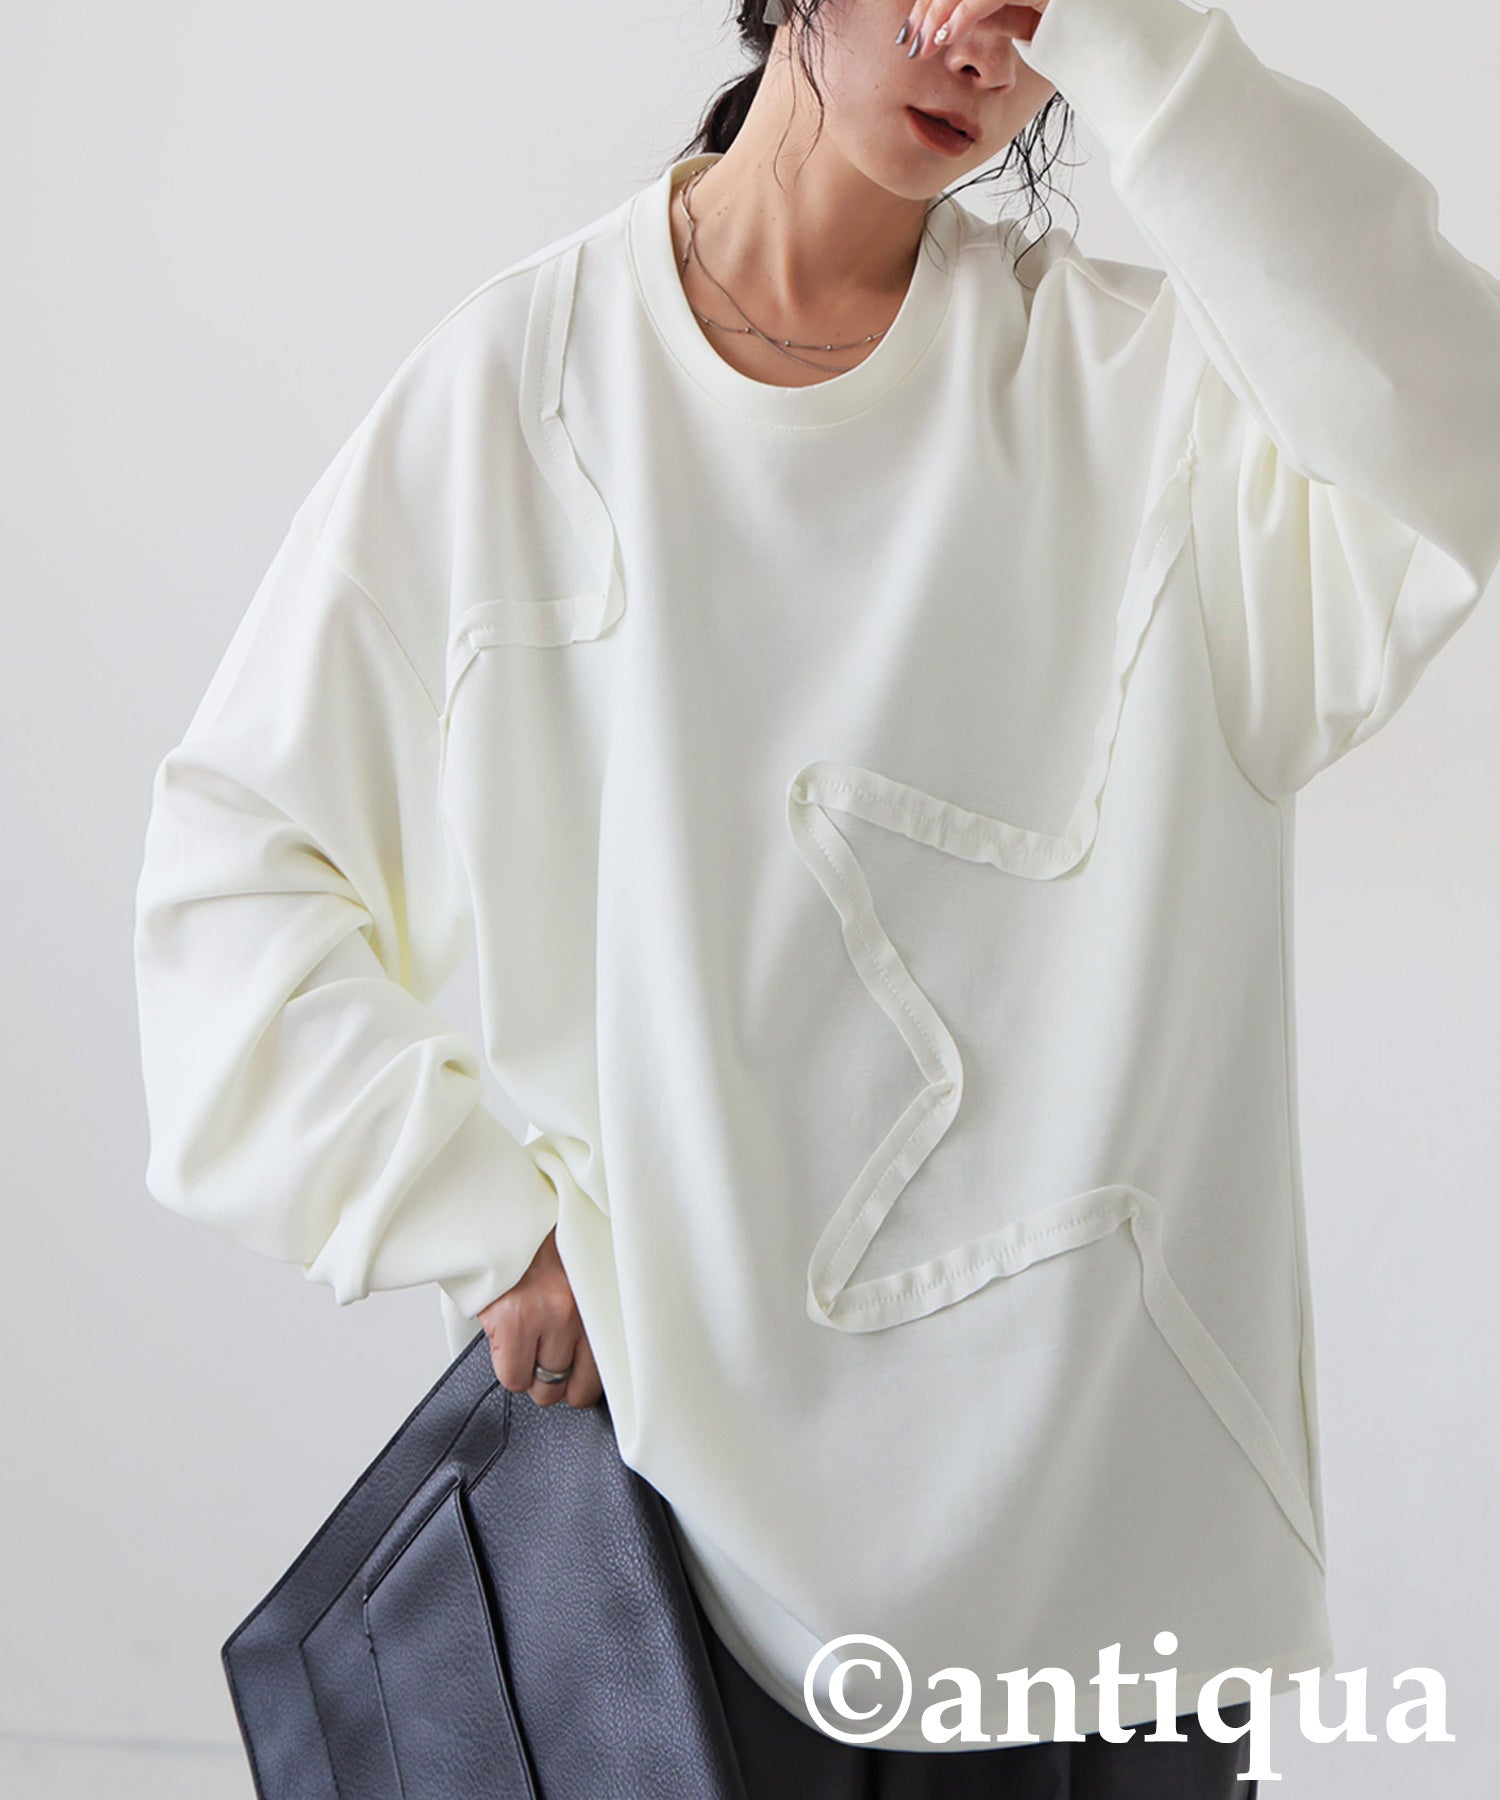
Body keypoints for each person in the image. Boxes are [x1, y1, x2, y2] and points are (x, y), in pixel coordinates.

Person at [132, 0, 1498, 1794]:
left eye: (1041, 3)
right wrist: (476, 1219)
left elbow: (1456, 434)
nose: (980, 39)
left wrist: (1151, 52)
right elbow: (232, 876)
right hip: (686, 1572)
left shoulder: (1144, 397)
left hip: (1116, 1596)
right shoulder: (524, 399)